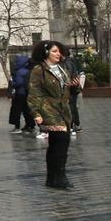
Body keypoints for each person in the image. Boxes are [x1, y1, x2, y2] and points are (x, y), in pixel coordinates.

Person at [28, 40, 74, 190]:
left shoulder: (62, 69)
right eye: (54, 51)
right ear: (46, 52)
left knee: (56, 144)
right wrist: (36, 113)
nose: (58, 54)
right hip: (49, 109)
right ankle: (60, 177)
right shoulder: (39, 70)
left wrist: (75, 86)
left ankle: (52, 178)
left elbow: (67, 90)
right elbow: (34, 93)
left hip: (63, 110)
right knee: (62, 140)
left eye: (59, 51)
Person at [8, 53, 34, 135]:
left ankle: (17, 127)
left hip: (20, 93)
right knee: (27, 110)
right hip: (27, 93)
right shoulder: (28, 70)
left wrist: (12, 83)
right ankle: (30, 125)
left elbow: (18, 83)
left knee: (16, 110)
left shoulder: (19, 71)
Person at [63, 53, 85, 133]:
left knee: (71, 107)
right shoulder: (73, 61)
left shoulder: (67, 63)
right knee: (73, 106)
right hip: (74, 88)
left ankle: (72, 126)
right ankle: (76, 125)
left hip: (71, 88)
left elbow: (68, 76)